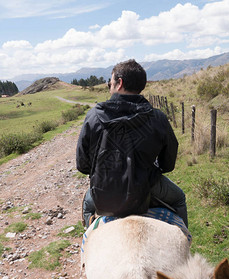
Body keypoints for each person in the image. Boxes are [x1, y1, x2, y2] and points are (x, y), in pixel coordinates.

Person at [76, 59, 187, 228]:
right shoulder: (158, 117)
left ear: (119, 83)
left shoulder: (93, 116)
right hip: (147, 186)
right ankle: (185, 243)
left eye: (110, 82)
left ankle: (87, 239)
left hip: (105, 191)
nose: (109, 86)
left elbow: (83, 166)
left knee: (87, 205)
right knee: (179, 199)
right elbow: (168, 164)